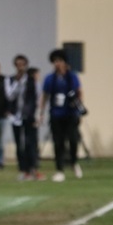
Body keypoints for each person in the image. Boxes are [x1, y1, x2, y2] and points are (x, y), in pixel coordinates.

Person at [38, 49, 85, 182]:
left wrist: (79, 109)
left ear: (64, 62)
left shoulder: (72, 77)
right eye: (55, 61)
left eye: (59, 61)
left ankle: (74, 162)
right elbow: (45, 96)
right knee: (58, 143)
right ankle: (59, 169)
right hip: (56, 114)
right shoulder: (50, 78)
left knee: (73, 140)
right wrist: (41, 112)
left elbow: (79, 92)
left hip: (71, 113)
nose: (57, 64)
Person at [6, 55, 43, 181]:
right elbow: (10, 96)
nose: (20, 67)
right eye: (18, 64)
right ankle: (22, 170)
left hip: (30, 116)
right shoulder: (10, 80)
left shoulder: (32, 80)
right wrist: (18, 82)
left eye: (23, 64)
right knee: (19, 144)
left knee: (31, 143)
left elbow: (38, 97)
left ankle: (33, 168)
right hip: (15, 117)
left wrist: (38, 115)